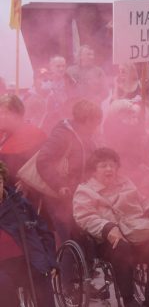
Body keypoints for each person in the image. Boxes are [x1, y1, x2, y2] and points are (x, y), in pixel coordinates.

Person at [72, 148, 149, 307]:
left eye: (112, 166)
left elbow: (143, 200)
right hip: (107, 241)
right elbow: (84, 217)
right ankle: (128, 301)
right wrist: (107, 227)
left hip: (136, 232)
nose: (109, 169)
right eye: (103, 166)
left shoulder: (126, 182)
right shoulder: (85, 191)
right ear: (94, 169)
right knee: (122, 248)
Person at [0, 161, 71, 307]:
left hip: (25, 259)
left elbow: (43, 231)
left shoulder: (19, 204)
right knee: (2, 285)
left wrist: (50, 258)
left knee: (40, 270)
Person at [35, 100, 102, 243]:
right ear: (86, 120)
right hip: (59, 196)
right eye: (96, 121)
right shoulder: (62, 134)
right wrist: (59, 185)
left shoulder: (88, 137)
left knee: (81, 236)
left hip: (78, 194)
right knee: (69, 238)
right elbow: (43, 160)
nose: (97, 126)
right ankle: (65, 264)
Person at [0, 95, 47, 182]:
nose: (2, 116)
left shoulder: (34, 135)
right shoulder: (3, 133)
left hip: (18, 190)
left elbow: (44, 166)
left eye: (5, 113)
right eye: (0, 113)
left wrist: (27, 183)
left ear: (18, 114)